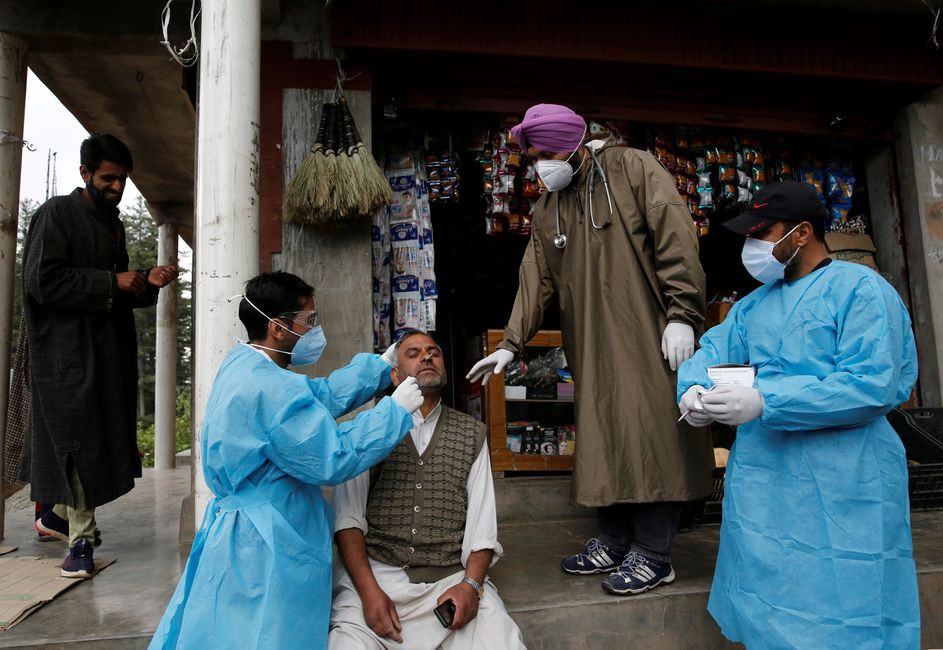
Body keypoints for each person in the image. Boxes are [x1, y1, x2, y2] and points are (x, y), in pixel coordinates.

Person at [468, 104, 712, 596]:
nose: (538, 167)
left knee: (652, 434)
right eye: (532, 158)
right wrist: (512, 343)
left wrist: (683, 313)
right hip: (592, 341)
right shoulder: (546, 207)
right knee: (606, 432)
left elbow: (675, 236)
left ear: (573, 145)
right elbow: (535, 279)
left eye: (544, 155)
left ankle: (655, 553)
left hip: (650, 330)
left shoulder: (633, 168)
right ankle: (616, 539)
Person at [677, 181, 921, 648]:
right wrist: (692, 394)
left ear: (803, 232)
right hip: (765, 484)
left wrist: (770, 402)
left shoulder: (862, 291)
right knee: (769, 592)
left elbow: (872, 383)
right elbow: (712, 354)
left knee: (850, 598)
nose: (752, 245)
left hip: (847, 481)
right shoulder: (753, 306)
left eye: (762, 233)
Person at [149, 272, 423, 649]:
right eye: (308, 321)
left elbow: (315, 398)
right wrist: (394, 413)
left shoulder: (246, 364)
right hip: (269, 541)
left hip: (242, 529)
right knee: (269, 634)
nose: (315, 329)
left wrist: (378, 367)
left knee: (230, 630)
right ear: (278, 328)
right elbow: (333, 457)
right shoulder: (270, 387)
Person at [22, 134, 178, 577]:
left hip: (105, 353)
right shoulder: (55, 214)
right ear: (84, 173)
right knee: (76, 444)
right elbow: (42, 283)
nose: (116, 188)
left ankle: (54, 515)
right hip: (64, 357)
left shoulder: (113, 224)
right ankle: (81, 542)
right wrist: (112, 282)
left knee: (95, 441)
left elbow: (118, 287)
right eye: (108, 178)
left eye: (122, 180)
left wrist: (146, 281)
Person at [329, 330, 525, 650]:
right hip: (378, 581)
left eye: (433, 351)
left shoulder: (471, 433)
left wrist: (470, 586)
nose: (427, 356)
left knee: (503, 641)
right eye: (413, 353)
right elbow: (347, 522)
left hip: (448, 584)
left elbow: (482, 531)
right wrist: (368, 592)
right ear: (395, 375)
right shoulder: (367, 429)